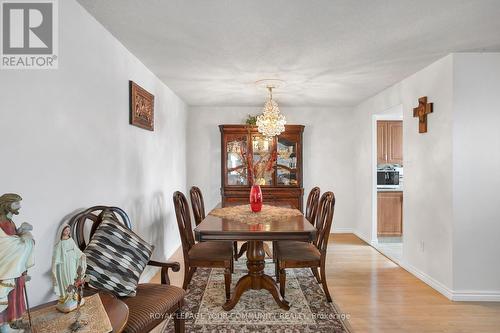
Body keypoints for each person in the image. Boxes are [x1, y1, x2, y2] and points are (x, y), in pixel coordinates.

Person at [0, 194, 34, 333]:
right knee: (8, 295)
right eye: (16, 204)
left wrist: (21, 231)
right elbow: (8, 245)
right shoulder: (4, 223)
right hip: (9, 268)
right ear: (6, 205)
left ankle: (12, 323)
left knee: (15, 294)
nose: (19, 207)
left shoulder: (9, 221)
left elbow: (13, 239)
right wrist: (27, 239)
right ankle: (5, 327)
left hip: (15, 267)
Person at [51, 224, 86, 312]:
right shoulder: (60, 244)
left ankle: (73, 295)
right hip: (65, 265)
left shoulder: (71, 240)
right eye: (66, 230)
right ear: (62, 231)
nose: (67, 232)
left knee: (73, 277)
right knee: (66, 279)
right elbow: (56, 257)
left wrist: (81, 255)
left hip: (72, 263)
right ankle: (67, 297)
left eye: (68, 230)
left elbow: (76, 250)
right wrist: (56, 266)